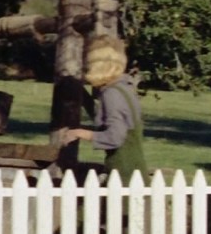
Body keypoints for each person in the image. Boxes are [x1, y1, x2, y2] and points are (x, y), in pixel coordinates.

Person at [56, 34, 148, 181]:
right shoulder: (125, 89)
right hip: (134, 170)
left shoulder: (112, 94)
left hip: (124, 174)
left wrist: (80, 133)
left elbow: (115, 137)